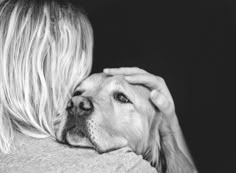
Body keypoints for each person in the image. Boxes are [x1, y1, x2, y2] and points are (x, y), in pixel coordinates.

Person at [0, 1, 196, 171]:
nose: (79, 103)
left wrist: (167, 121)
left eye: (121, 97)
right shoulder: (121, 166)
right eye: (78, 92)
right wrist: (171, 121)